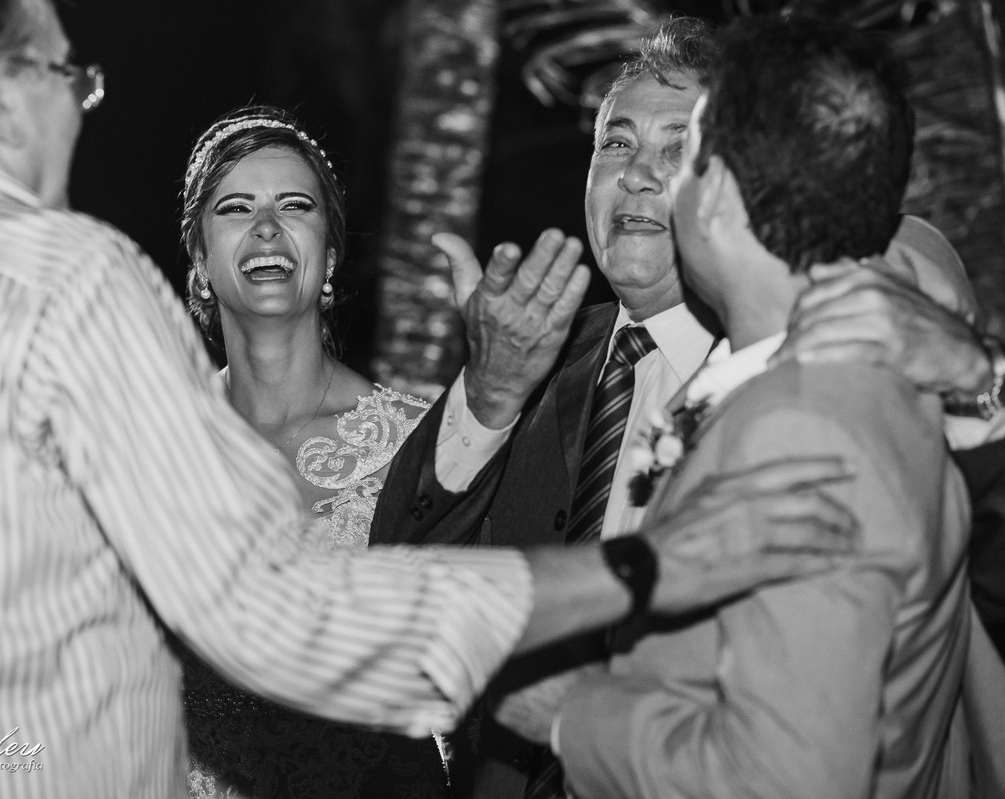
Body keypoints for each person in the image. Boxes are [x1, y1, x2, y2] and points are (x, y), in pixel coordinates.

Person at [0, 2, 868, 797]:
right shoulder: (59, 281)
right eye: (72, 83)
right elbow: (273, 608)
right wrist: (646, 568)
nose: (80, 119)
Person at [371, 15, 1005, 797]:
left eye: (685, 148)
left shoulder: (823, 369)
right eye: (618, 143)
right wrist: (491, 393)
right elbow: (397, 564)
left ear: (738, 180)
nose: (642, 174)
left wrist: (975, 371)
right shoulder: (529, 349)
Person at [176, 105, 446, 799]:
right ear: (202, 263)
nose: (267, 226)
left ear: (327, 257)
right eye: (236, 208)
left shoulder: (417, 445)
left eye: (294, 205)